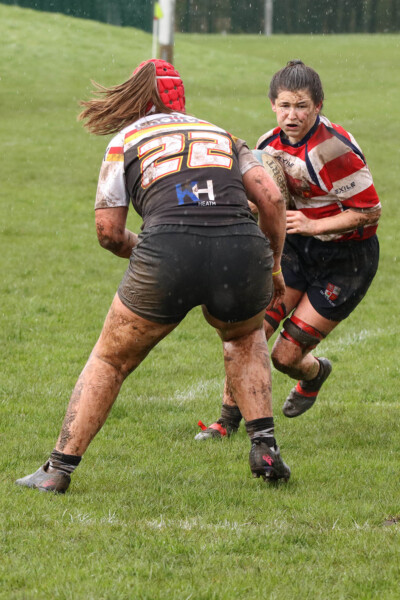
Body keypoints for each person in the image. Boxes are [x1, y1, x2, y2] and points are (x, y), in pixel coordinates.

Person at [16, 58, 291, 493]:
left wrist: (150, 251)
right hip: (241, 246)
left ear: (138, 99)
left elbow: (108, 232)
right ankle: (265, 446)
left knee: (111, 359)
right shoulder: (223, 134)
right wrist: (272, 265)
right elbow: (272, 199)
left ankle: (57, 470)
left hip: (167, 250)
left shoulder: (125, 139)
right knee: (243, 339)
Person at [196, 59, 381, 441]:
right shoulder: (267, 145)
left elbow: (370, 211)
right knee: (250, 333)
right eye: (284, 105)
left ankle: (315, 374)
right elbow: (268, 198)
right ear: (272, 105)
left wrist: (313, 224)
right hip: (296, 250)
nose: (292, 115)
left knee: (285, 357)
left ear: (318, 106)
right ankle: (227, 420)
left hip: (346, 262)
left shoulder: (333, 151)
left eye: (301, 106)